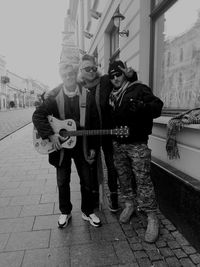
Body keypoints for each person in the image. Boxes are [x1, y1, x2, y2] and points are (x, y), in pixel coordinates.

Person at [32, 63, 101, 228]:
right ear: (61, 77)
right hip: (61, 147)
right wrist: (50, 134)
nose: (69, 78)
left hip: (82, 145)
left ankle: (88, 211)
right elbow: (38, 115)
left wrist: (93, 147)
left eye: (71, 74)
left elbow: (95, 124)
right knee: (63, 181)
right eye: (65, 75)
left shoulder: (87, 95)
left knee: (87, 180)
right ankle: (65, 211)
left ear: (75, 74)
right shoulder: (54, 96)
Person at [108, 60, 163, 243]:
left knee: (143, 180)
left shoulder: (139, 88)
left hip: (137, 144)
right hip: (118, 145)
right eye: (112, 75)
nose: (115, 78)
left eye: (118, 74)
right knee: (123, 178)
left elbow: (157, 107)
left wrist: (142, 107)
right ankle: (130, 204)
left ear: (125, 74)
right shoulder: (111, 96)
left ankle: (152, 216)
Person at [78, 54, 136, 212]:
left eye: (94, 68)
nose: (91, 71)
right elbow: (62, 88)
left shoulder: (104, 81)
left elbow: (124, 84)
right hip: (91, 136)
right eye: (87, 68)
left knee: (112, 167)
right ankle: (94, 200)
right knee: (91, 167)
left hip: (109, 133)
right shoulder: (78, 87)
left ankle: (114, 199)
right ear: (81, 70)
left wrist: (132, 75)